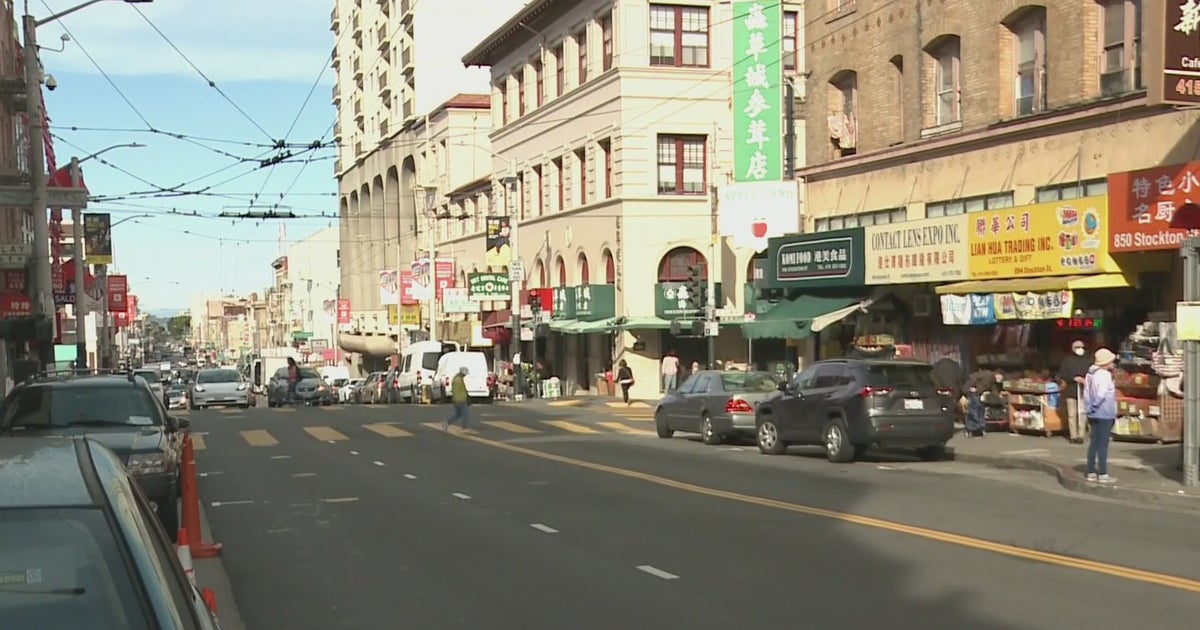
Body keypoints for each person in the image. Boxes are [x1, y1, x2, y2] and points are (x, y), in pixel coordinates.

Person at [1083, 347, 1118, 483]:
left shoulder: (1090, 374)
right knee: (1103, 444)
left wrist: (1089, 408)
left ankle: (1091, 471)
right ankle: (1102, 473)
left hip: (1093, 414)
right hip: (1104, 413)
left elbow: (1086, 393)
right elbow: (1101, 394)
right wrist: (1096, 405)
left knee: (1094, 442)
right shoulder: (1104, 375)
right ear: (1106, 362)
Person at [1057, 339, 1092, 443]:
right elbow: (1063, 373)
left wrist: (1085, 380)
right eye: (1077, 347)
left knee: (1082, 413)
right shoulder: (1067, 360)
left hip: (1084, 390)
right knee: (1072, 414)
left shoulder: (1088, 360)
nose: (1080, 349)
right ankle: (1073, 435)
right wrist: (1074, 378)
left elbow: (1092, 372)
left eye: (1081, 347)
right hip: (1071, 390)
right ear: (1072, 349)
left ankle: (1081, 435)